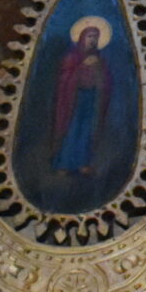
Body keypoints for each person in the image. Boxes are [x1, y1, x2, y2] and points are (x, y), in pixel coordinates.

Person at [51, 18, 114, 180]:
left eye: (95, 37)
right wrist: (82, 67)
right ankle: (64, 164)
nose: (93, 40)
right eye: (90, 36)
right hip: (75, 99)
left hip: (91, 98)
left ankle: (83, 163)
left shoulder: (99, 59)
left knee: (87, 129)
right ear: (82, 38)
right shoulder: (72, 57)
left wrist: (97, 70)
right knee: (72, 129)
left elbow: (106, 81)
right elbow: (64, 79)